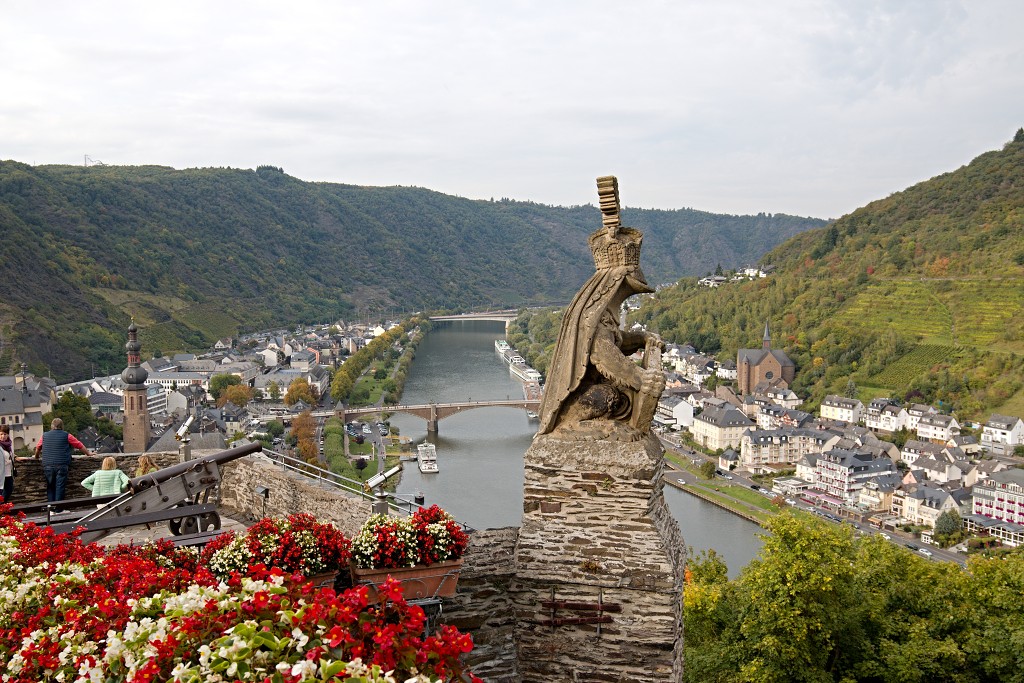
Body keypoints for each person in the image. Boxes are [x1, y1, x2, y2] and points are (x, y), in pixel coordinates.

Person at [537, 176, 665, 442]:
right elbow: (603, 352)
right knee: (608, 397)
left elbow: (615, 342)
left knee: (615, 397)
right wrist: (640, 379)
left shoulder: (603, 314)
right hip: (585, 397)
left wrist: (640, 339)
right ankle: (577, 426)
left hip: (596, 387)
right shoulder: (593, 318)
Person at [34, 417, 93, 502]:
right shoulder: (67, 435)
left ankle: (51, 508)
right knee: (60, 486)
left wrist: (36, 457)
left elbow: (38, 448)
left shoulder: (45, 435)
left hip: (48, 465)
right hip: (61, 464)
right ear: (62, 426)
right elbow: (79, 445)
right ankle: (58, 509)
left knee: (50, 487)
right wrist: (88, 454)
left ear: (52, 426)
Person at [0, 424, 13, 503]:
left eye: (5, 434)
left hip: (8, 473)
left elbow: (8, 454)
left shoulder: (8, 445)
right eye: (1, 434)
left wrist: (14, 457)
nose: (3, 436)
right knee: (3, 493)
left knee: (9, 490)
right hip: (2, 474)